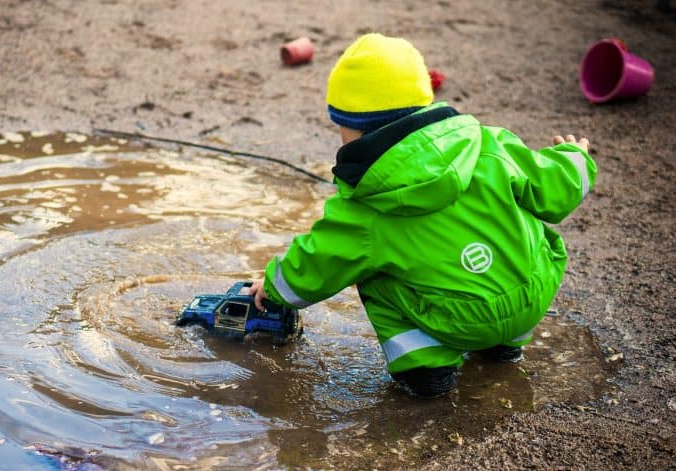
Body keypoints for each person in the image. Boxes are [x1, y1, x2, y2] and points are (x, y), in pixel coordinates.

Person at [249, 33, 597, 397]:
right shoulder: (489, 144)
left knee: (369, 271)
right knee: (519, 229)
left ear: (349, 127)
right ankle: (504, 347)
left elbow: (319, 262)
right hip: (531, 296)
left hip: (457, 321)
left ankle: (426, 368)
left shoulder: (364, 204)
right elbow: (554, 188)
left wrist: (273, 289)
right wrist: (575, 157)